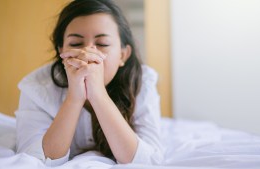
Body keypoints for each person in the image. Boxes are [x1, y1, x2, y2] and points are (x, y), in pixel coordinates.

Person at [15, 0, 163, 166]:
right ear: (61, 50)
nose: (87, 53)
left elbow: (148, 161)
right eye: (76, 44)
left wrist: (98, 94)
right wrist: (74, 98)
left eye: (102, 44)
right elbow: (34, 160)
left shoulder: (143, 82)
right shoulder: (36, 87)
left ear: (123, 55)